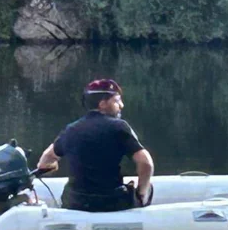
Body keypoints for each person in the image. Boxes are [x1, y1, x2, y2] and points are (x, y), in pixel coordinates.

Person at [36, 78, 155, 212]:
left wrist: (52, 166)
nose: (121, 105)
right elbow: (146, 163)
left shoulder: (71, 129)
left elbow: (45, 160)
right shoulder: (119, 127)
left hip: (76, 203)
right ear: (103, 104)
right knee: (148, 187)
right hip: (111, 203)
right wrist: (141, 193)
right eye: (117, 101)